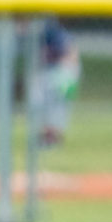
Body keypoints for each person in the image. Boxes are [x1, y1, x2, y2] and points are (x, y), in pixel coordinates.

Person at [38, 18, 80, 147]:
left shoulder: (53, 32)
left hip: (64, 72)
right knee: (56, 105)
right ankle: (51, 135)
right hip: (67, 71)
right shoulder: (51, 30)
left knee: (57, 105)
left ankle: (52, 136)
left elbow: (66, 53)